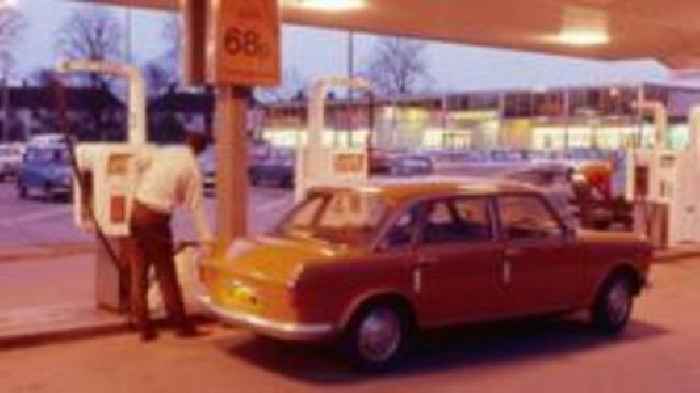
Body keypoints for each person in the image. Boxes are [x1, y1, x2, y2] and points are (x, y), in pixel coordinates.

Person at [126, 130, 214, 341]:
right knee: (166, 272)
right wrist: (207, 240)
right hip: (156, 218)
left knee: (139, 271)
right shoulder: (192, 170)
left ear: (186, 141)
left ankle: (143, 327)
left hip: (137, 210)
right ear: (201, 151)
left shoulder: (165, 152)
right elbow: (196, 209)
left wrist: (138, 187)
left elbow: (136, 162)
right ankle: (181, 326)